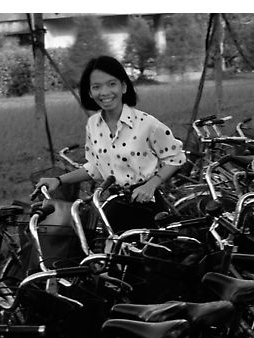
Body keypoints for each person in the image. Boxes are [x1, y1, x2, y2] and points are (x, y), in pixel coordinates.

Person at [32, 55, 186, 232]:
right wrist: (58, 180)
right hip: (116, 206)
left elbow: (176, 158)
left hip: (147, 206)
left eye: (111, 84)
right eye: (96, 87)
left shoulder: (146, 123)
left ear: (124, 86)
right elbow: (95, 167)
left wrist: (151, 185)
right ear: (89, 92)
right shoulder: (93, 125)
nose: (104, 92)